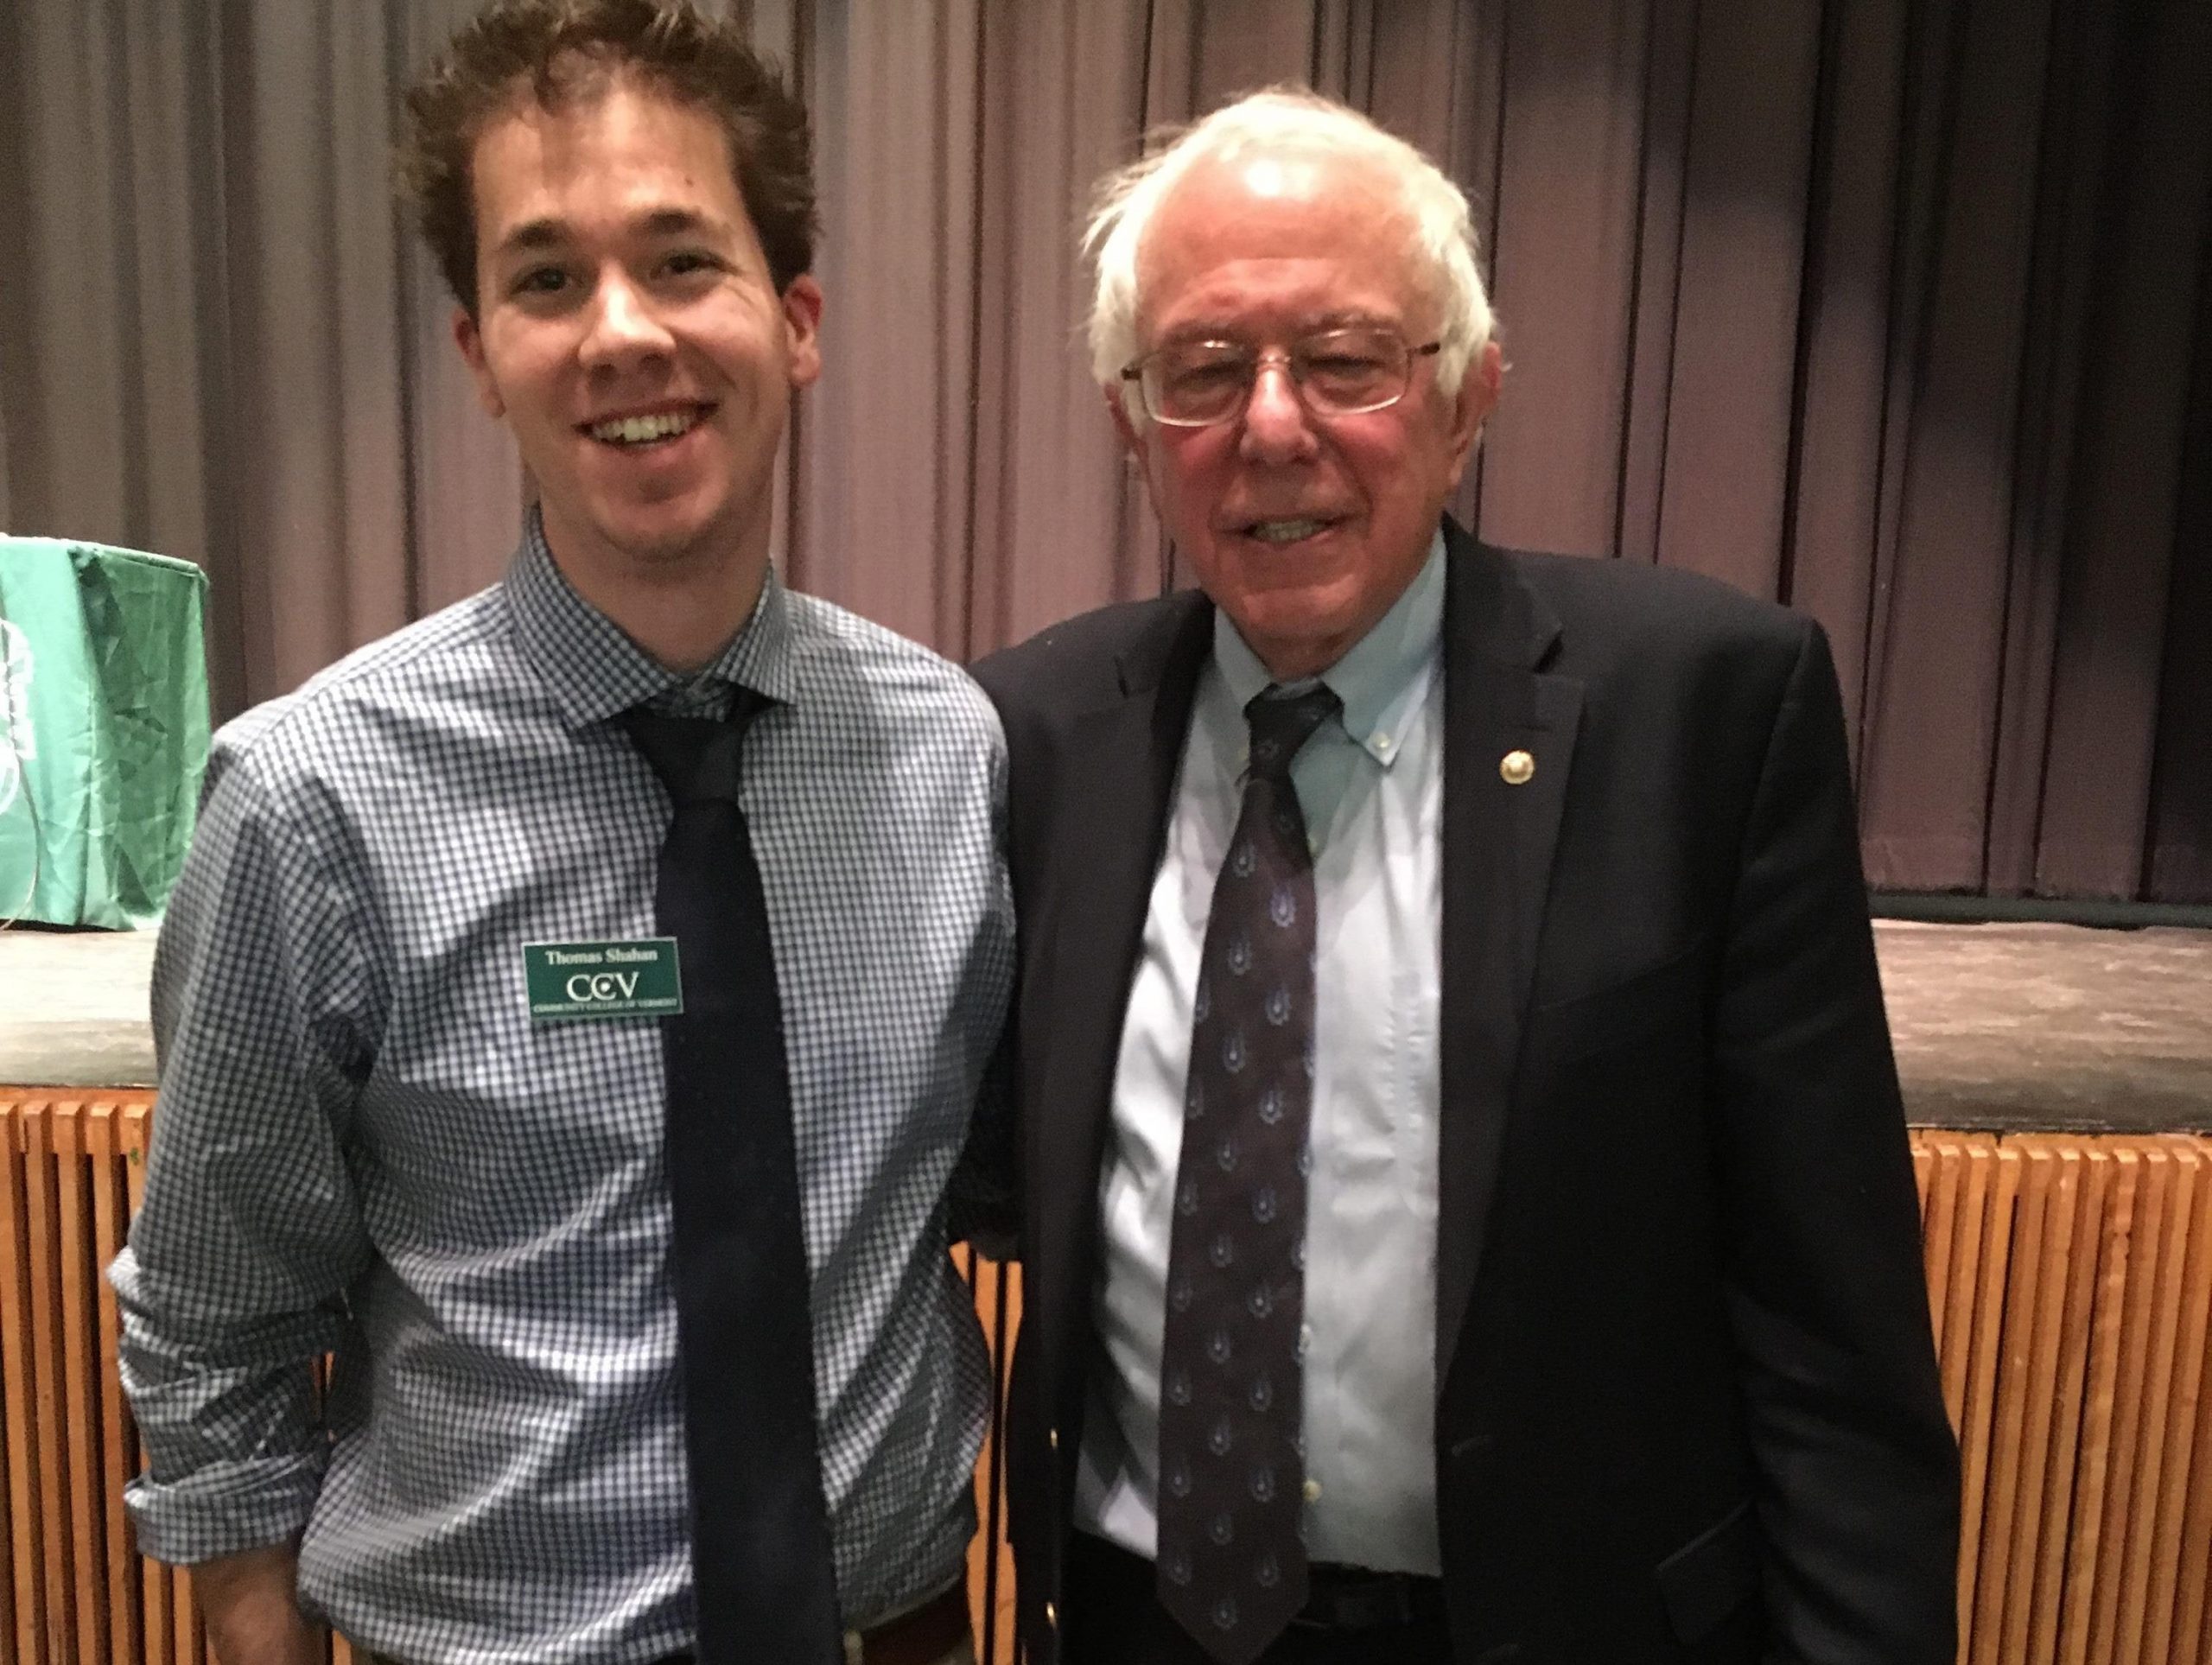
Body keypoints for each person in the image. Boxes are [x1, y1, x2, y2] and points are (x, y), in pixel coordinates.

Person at [970, 89, 1958, 1665]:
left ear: (1471, 394)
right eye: (1204, 371)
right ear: (1129, 422)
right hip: (1137, 1622)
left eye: (1347, 361)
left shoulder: (1703, 709)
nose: (1272, 426)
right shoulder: (1032, 734)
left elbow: (1830, 1333)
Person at [110, 5, 1008, 1664]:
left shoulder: (949, 759)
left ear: (795, 319)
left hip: (895, 1636)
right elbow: (216, 1329)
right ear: (478, 354)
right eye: (545, 280)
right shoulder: (313, 803)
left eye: (682, 260)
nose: (620, 335)